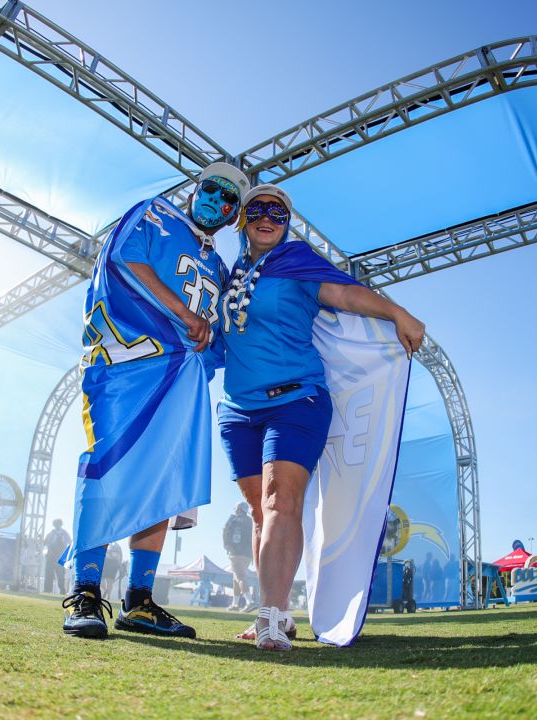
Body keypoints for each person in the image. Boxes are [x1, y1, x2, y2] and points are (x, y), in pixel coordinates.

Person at [218, 184, 426, 651]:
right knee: (259, 512)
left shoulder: (296, 260)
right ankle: (280, 612)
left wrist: (397, 312)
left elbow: (346, 296)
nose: (268, 217)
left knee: (279, 502)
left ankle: (269, 615)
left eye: (279, 211)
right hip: (237, 410)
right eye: (257, 210)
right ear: (241, 220)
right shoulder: (229, 274)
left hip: (296, 400)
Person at [61, 162, 250, 640]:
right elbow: (126, 259)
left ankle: (139, 600)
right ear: (196, 189)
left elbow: (225, 334)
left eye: (229, 199)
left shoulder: (223, 269)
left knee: (164, 481)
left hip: (180, 380)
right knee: (110, 463)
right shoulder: (154, 213)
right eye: (212, 188)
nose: (217, 201)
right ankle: (85, 590)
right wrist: (184, 313)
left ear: (233, 217)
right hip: (125, 361)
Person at [222, 502, 254, 611]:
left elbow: (225, 531)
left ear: (239, 509)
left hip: (236, 552)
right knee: (236, 578)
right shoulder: (250, 521)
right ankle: (235, 604)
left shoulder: (233, 519)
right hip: (249, 554)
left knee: (240, 576)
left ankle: (250, 601)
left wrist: (226, 546)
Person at [43, 518, 71, 594]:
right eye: (56, 524)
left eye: (58, 524)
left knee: (61, 575)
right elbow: (45, 543)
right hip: (51, 557)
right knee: (50, 574)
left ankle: (62, 590)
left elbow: (70, 543)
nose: (57, 526)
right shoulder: (52, 533)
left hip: (60, 557)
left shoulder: (64, 534)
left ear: (60, 524)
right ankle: (48, 590)